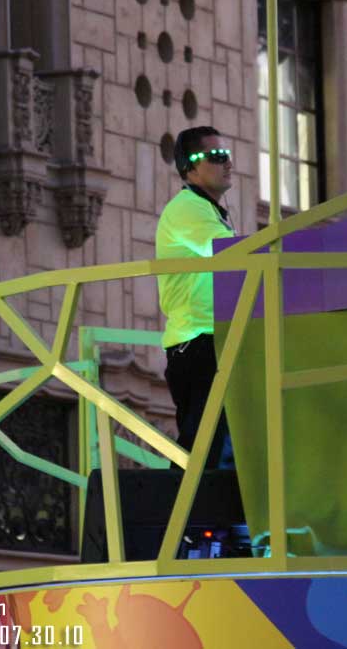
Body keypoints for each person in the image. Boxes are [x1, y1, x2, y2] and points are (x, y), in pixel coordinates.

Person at [156, 126, 236, 468]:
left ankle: (188, 514)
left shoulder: (207, 210)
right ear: (190, 167)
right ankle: (180, 517)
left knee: (210, 446)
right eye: (216, 157)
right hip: (197, 343)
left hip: (207, 340)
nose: (227, 163)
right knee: (200, 447)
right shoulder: (187, 208)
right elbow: (228, 252)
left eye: (227, 155)